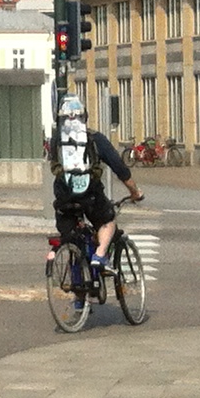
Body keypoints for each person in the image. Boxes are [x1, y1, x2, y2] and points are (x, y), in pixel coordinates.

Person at [48, 95, 143, 281]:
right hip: (90, 197)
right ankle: (99, 256)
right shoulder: (95, 138)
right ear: (85, 116)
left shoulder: (56, 141)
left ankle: (79, 297)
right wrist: (134, 192)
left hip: (63, 199)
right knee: (108, 221)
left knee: (73, 240)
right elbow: (120, 168)